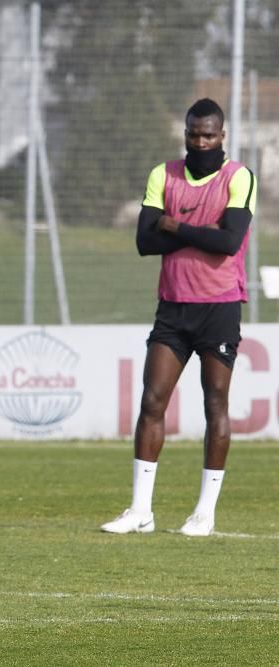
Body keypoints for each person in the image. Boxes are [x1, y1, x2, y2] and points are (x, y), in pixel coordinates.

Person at [101, 98, 256, 538]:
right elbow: (144, 242)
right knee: (152, 401)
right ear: (185, 133)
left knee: (215, 405)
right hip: (173, 306)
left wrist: (175, 228)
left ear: (221, 136)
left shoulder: (239, 177)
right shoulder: (163, 174)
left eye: (208, 135)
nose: (200, 141)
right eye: (193, 134)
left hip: (220, 306)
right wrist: (193, 235)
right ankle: (140, 511)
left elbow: (228, 242)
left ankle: (204, 513)